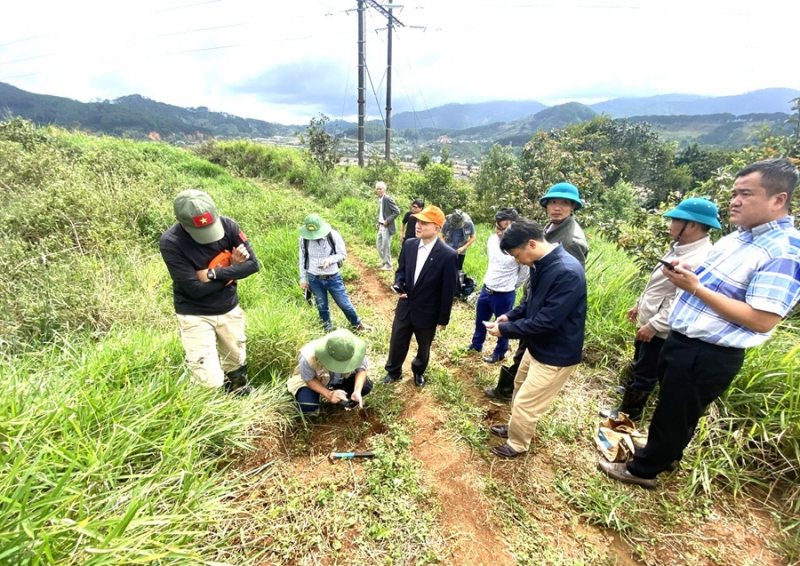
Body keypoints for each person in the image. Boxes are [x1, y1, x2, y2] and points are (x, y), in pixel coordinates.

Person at [599, 158, 800, 489]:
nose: (734, 201)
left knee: (678, 410)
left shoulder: (783, 252)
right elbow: (710, 282)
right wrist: (687, 274)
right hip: (683, 339)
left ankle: (644, 471)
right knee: (669, 406)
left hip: (709, 351)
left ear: (778, 199)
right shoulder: (740, 238)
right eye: (734, 193)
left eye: (746, 194)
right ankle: (659, 451)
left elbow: (763, 319)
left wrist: (696, 288)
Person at [600, 197, 719, 421]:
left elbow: (680, 299)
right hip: (651, 315)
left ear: (692, 225)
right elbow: (658, 285)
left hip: (661, 326)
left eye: (675, 220)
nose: (669, 225)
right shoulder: (680, 248)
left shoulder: (698, 258)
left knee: (647, 368)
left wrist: (655, 325)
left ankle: (628, 413)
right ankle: (629, 393)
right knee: (641, 358)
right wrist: (639, 303)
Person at [485, 218, 587, 458]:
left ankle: (518, 444)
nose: (516, 260)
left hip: (555, 353)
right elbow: (532, 304)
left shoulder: (567, 271)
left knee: (527, 403)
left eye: (516, 254)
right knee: (519, 389)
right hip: (537, 346)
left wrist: (506, 331)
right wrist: (509, 316)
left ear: (531, 244)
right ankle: (514, 427)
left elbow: (548, 320)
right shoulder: (541, 264)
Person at [484, 182, 589, 401]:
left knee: (527, 356)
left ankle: (512, 398)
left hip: (547, 310)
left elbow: (566, 289)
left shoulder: (572, 240)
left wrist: (509, 327)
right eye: (552, 202)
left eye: (564, 203)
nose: (557, 208)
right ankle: (511, 395)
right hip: (534, 300)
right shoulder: (548, 229)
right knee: (523, 356)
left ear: (573, 207)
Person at [159, 188, 260, 395]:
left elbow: (253, 265)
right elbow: (195, 290)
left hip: (229, 308)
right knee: (208, 379)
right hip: (194, 314)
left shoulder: (229, 226)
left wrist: (213, 274)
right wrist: (233, 269)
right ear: (180, 221)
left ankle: (239, 397)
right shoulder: (171, 243)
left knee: (236, 360)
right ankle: (212, 415)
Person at [383, 205, 458, 388]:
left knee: (424, 346)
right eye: (418, 221)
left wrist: (443, 319)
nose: (418, 225)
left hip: (427, 310)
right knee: (397, 339)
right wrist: (399, 283)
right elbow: (401, 270)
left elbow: (448, 290)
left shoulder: (448, 255)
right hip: (405, 304)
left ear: (437, 228)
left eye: (424, 223)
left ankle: (418, 372)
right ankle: (393, 372)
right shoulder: (409, 245)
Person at [467, 208, 528, 364]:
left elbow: (524, 272)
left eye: (505, 228)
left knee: (502, 326)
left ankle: (499, 352)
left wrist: (511, 286)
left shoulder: (521, 246)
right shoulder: (492, 240)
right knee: (481, 320)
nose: (501, 232)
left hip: (504, 293)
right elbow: (492, 262)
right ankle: (476, 345)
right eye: (498, 228)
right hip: (487, 288)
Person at [299, 213, 372, 333]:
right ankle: (327, 329)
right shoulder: (303, 238)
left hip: (333, 278)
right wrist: (303, 279)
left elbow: (342, 254)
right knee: (322, 307)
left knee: (344, 304)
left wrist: (330, 260)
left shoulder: (333, 235)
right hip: (314, 279)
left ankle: (357, 325)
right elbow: (302, 259)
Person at [287, 329, 372, 415]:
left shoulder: (352, 349)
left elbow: (361, 370)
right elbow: (309, 379)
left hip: (342, 378)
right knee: (307, 406)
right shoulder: (308, 356)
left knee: (366, 386)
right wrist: (328, 394)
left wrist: (357, 390)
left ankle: (344, 397)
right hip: (317, 379)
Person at [375, 181, 401, 271]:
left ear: (384, 190)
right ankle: (384, 261)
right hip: (381, 226)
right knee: (379, 245)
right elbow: (382, 212)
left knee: (386, 246)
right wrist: (378, 221)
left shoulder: (387, 199)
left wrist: (387, 220)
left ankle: (389, 265)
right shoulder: (380, 199)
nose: (378, 190)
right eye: (377, 189)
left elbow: (397, 211)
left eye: (380, 189)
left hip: (387, 226)